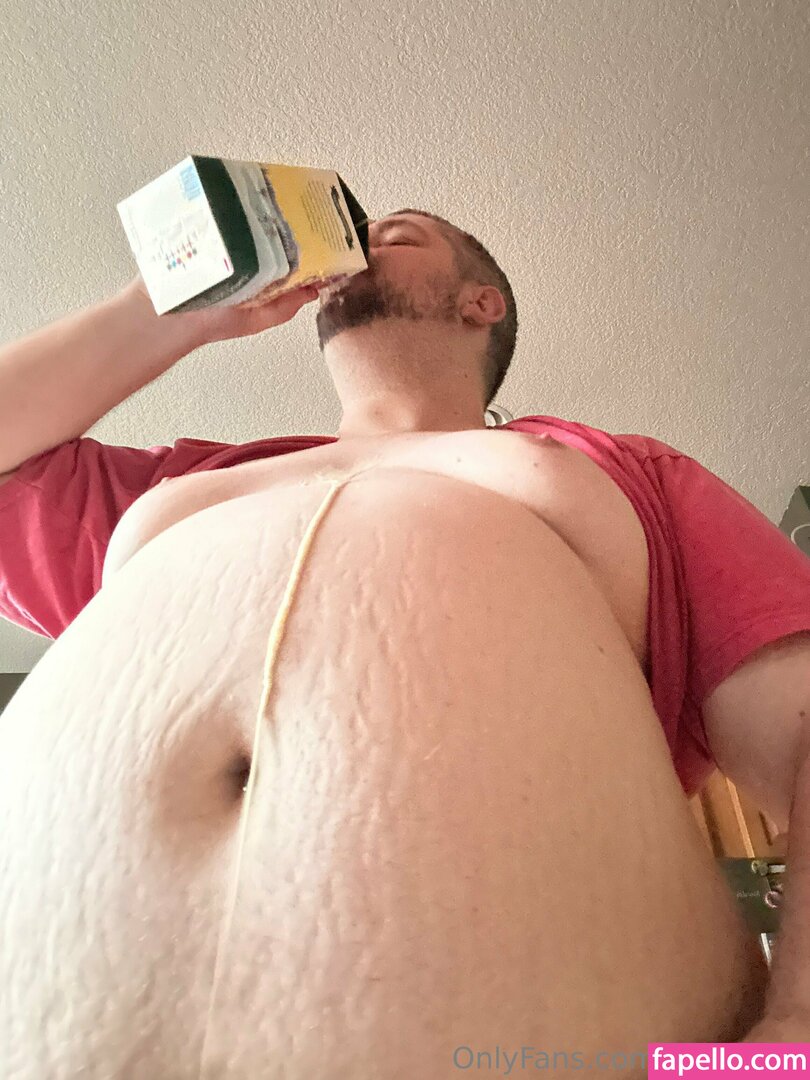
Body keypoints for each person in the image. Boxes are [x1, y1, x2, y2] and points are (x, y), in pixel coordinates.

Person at [0, 209, 809, 1078]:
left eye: (400, 234)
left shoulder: (628, 468)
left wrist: (795, 1030)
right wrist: (168, 312)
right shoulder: (186, 481)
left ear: (481, 302)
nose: (357, 240)